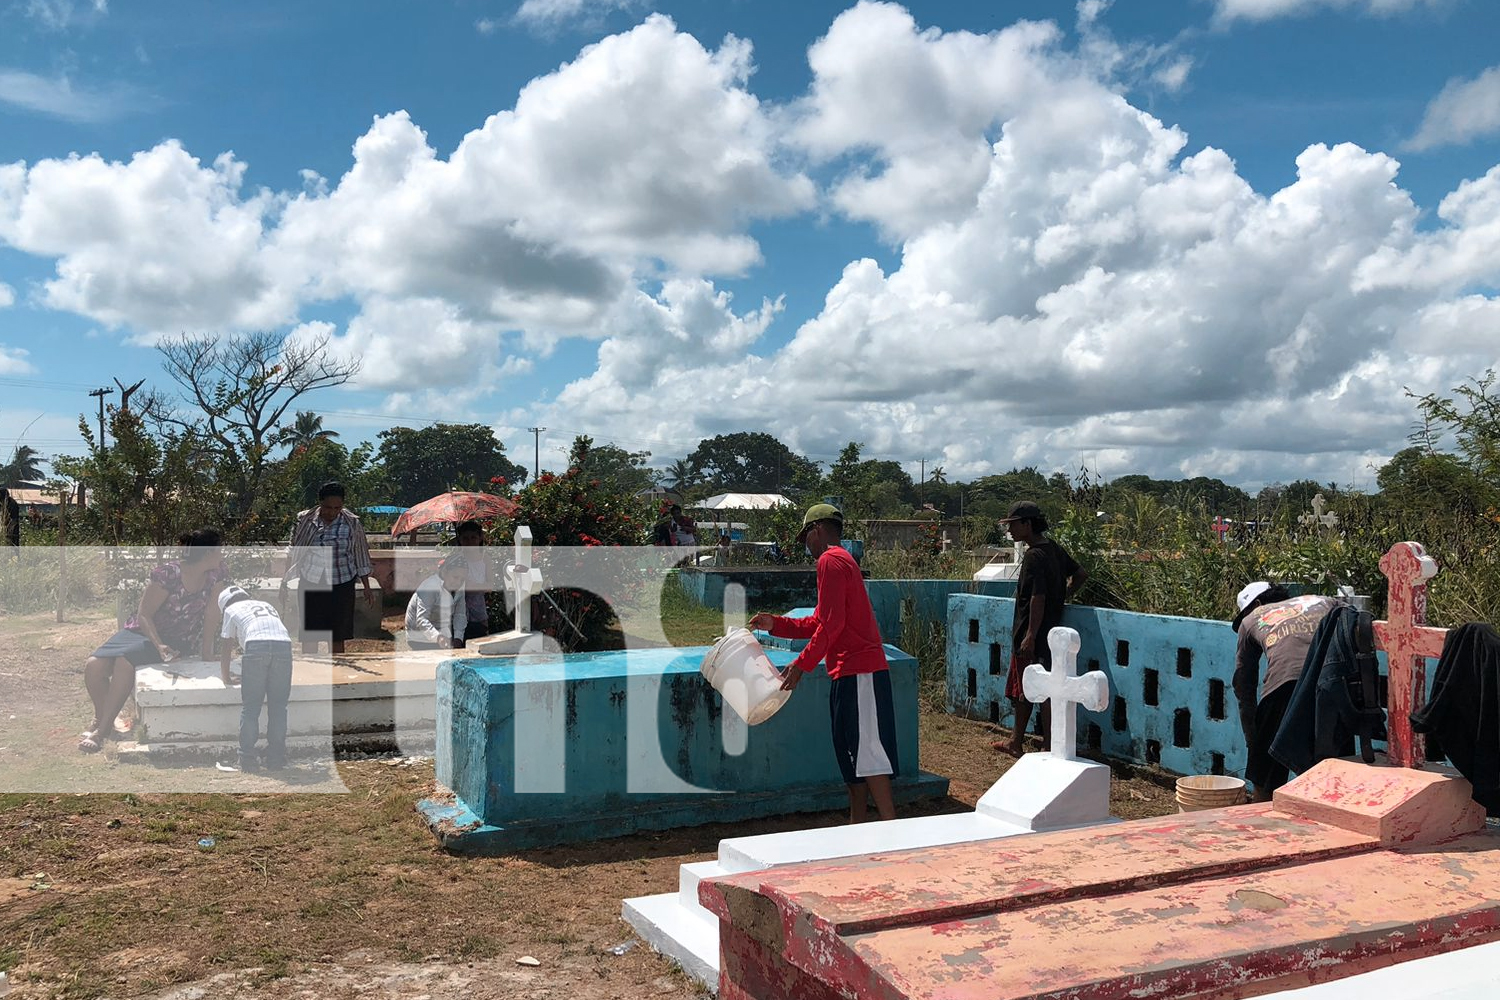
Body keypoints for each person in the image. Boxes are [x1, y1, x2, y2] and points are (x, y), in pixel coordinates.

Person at [749, 503, 899, 824]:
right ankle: (857, 829)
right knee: (853, 760)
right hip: (849, 672)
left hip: (860, 672)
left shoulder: (830, 561)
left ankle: (893, 832)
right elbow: (820, 621)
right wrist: (774, 623)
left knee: (869, 757)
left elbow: (831, 625)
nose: (806, 543)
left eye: (806, 536)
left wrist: (800, 665)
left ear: (817, 530)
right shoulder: (840, 561)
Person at [81, 527, 226, 753]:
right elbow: (144, 614)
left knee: (124, 662)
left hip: (177, 639)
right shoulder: (168, 575)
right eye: (219, 550)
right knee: (94, 666)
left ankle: (102, 731)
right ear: (207, 553)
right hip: (143, 632)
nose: (222, 554)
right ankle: (103, 716)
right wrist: (158, 644)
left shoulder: (216, 574)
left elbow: (211, 613)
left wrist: (207, 651)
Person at [995, 501, 1087, 757]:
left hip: (1031, 632)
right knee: (1038, 687)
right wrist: (1064, 596)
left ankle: (1038, 743)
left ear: (1028, 524)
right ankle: (1029, 741)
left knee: (1032, 687)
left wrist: (1030, 635)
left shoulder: (1034, 555)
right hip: (1053, 632)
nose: (1010, 531)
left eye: (1013, 525)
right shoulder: (1054, 550)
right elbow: (1081, 574)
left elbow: (1038, 597)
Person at [1232, 581, 1337, 801]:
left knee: (1266, 777)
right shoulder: (1322, 601)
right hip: (1334, 682)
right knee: (1331, 767)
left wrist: (1254, 740)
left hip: (1285, 683)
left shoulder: (1253, 618)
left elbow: (1244, 683)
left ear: (1257, 604)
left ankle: (1260, 825)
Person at [283, 482, 375, 655]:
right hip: (311, 581)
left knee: (337, 635)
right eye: (327, 507)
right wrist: (285, 581)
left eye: (337, 508)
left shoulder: (352, 523)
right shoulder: (304, 520)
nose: (332, 512)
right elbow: (293, 549)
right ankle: (312, 674)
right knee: (311, 633)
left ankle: (337, 674)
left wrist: (367, 587)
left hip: (342, 582)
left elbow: (360, 553)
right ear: (320, 503)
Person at [218, 585, 295, 771]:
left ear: (224, 604)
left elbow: (226, 646)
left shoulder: (230, 609)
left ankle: (247, 759)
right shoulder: (266, 605)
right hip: (284, 646)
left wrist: (226, 677)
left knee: (251, 707)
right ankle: (276, 759)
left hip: (256, 646)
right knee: (278, 707)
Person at [405, 555, 469, 650]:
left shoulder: (460, 586)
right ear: (445, 572)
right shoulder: (430, 587)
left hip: (443, 633)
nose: (458, 582)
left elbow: (460, 614)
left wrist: (458, 638)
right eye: (455, 577)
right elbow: (422, 619)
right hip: (418, 637)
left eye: (462, 579)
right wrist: (438, 638)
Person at [454, 520, 493, 642]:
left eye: (473, 537)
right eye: (465, 538)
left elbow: (490, 585)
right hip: (458, 610)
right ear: (460, 540)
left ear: (480, 538)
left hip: (478, 610)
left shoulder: (485, 559)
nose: (469, 542)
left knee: (480, 643)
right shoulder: (457, 560)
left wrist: (471, 586)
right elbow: (454, 585)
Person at [1, 486, 20, 551]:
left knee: (12, 545)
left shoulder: (12, 503)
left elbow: (14, 520)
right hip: (6, 526)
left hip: (11, 529)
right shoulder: (3, 503)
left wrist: (8, 530)